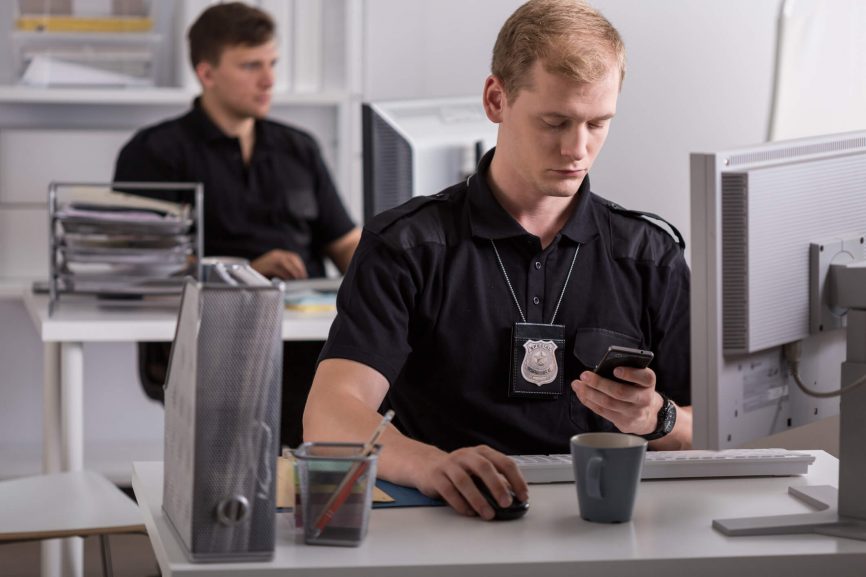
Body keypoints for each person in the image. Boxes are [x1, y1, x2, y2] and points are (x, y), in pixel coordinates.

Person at [304, 0, 692, 520]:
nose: (577, 149)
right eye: (555, 122)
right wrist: (429, 465)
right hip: (446, 519)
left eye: (598, 124)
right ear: (496, 99)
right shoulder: (408, 245)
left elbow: (719, 428)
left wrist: (657, 418)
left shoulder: (649, 254)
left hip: (601, 522)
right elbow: (329, 414)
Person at [113, 2, 360, 447]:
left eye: (272, 64)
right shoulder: (154, 152)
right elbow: (140, 270)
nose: (269, 80)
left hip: (306, 341)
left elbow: (346, 245)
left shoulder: (298, 149)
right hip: (211, 344)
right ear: (207, 73)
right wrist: (244, 270)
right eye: (251, 66)